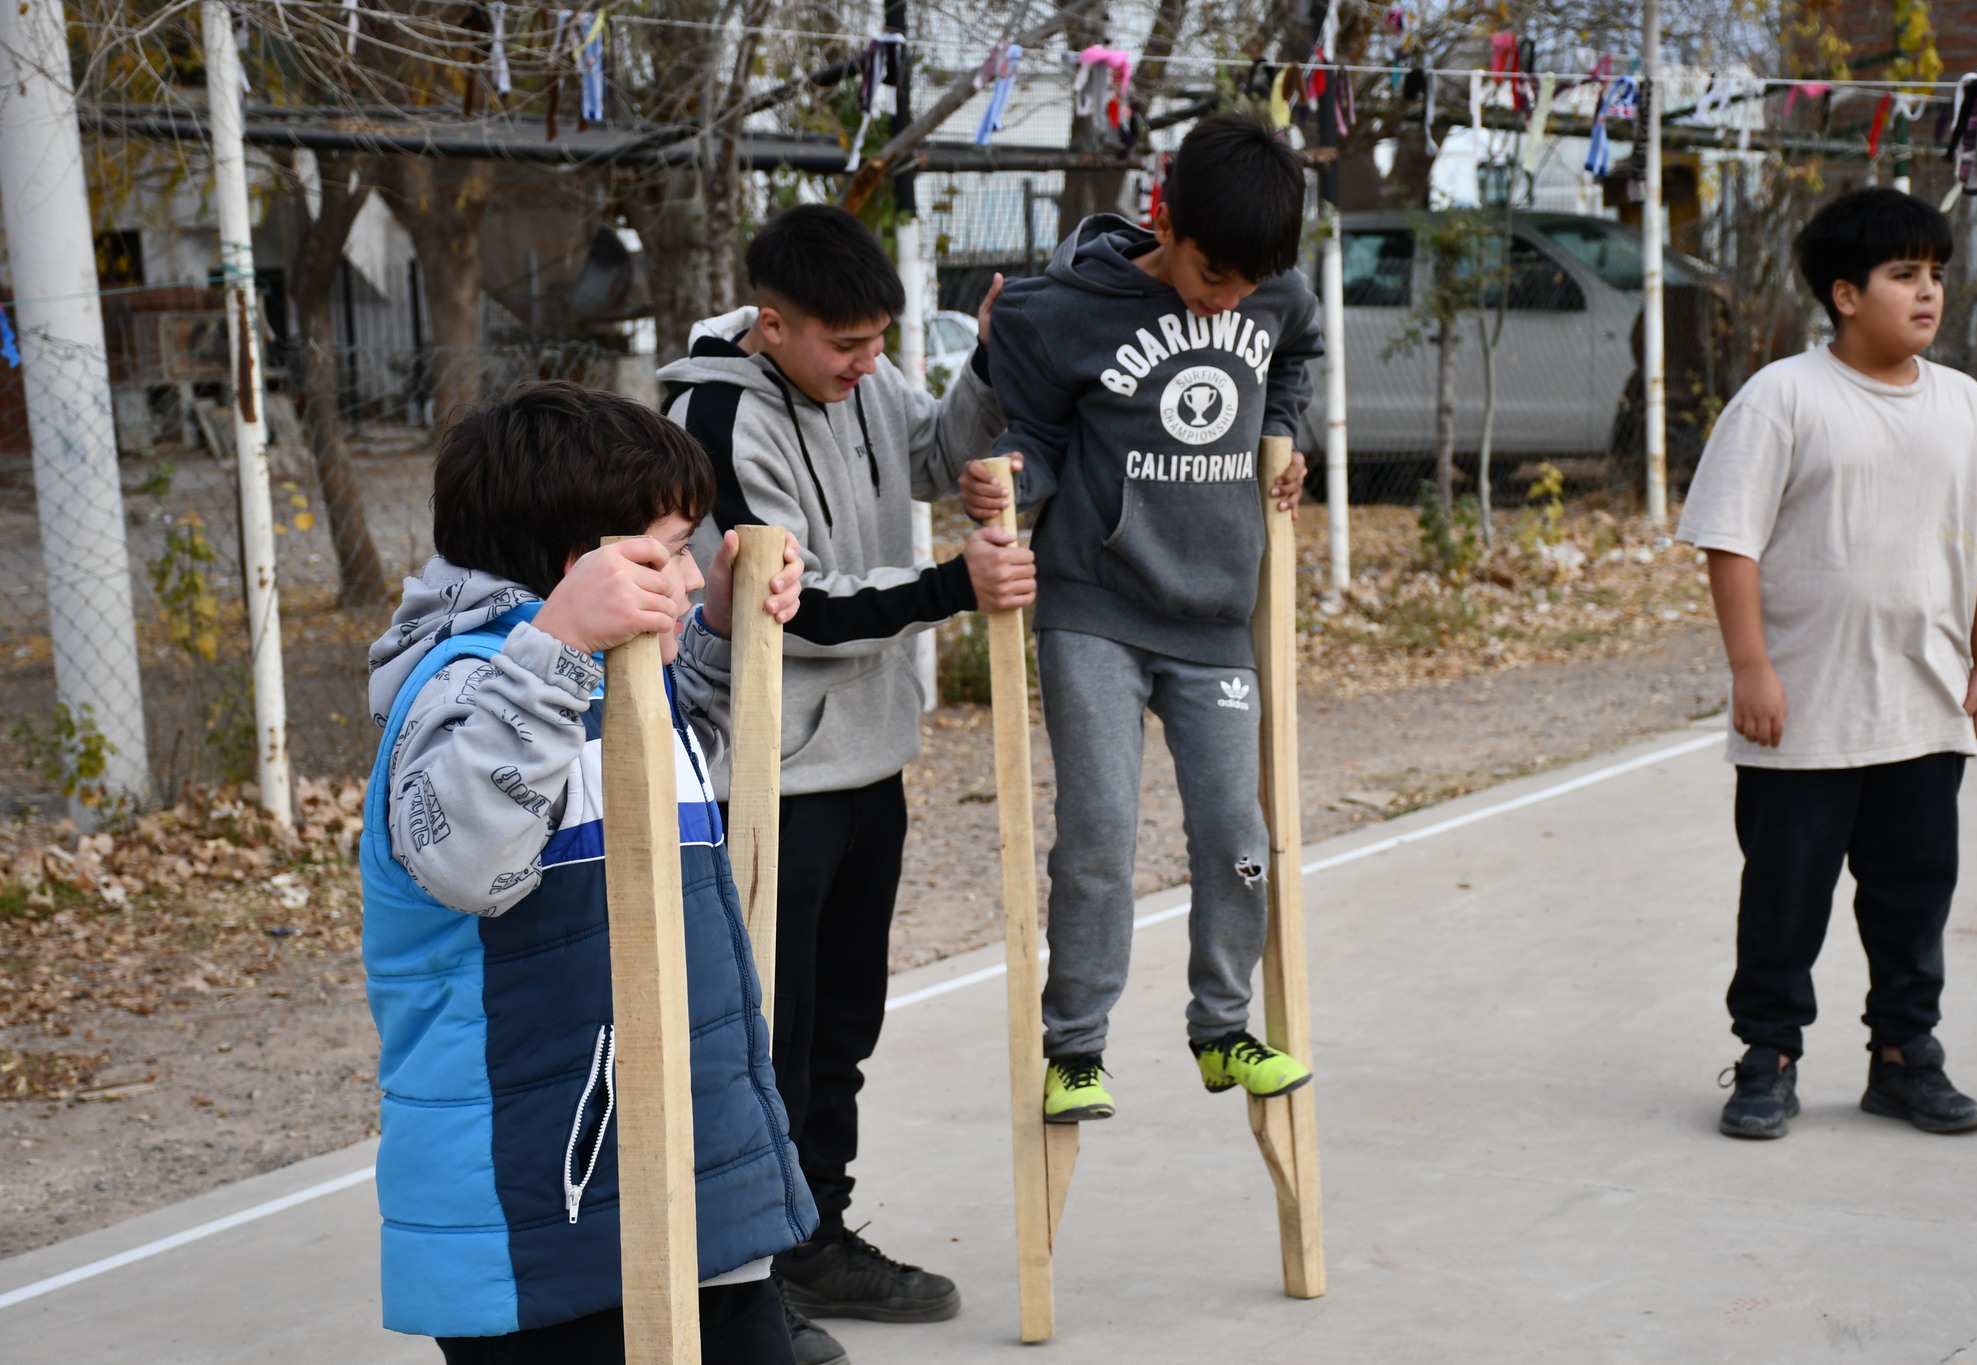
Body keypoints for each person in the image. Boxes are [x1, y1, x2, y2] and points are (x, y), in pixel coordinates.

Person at [360, 380, 814, 1363]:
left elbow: (663, 749)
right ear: (584, 571)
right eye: (668, 551)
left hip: (680, 1172)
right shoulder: (468, 685)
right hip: (539, 1216)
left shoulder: (609, 675)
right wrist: (556, 643)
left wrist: (732, 630)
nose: (690, 577)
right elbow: (463, 859)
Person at [657, 204, 1031, 1362]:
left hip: (871, 753)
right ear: (772, 326)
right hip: (771, 768)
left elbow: (933, 450)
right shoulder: (712, 416)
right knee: (770, 1022)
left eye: (879, 343)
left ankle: (815, 1234)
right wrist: (946, 587)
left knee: (845, 1021)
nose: (867, 365)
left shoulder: (859, 375)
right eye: (845, 347)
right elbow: (789, 606)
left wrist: (987, 361)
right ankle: (746, 1266)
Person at [963, 110, 1322, 1124]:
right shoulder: (1060, 310)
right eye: (1212, 276)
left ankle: (1222, 1031)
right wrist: (1002, 481)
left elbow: (1295, 349)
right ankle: (1075, 1049)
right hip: (1094, 610)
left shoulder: (1267, 293)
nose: (1228, 302)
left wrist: (1285, 429)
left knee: (1237, 836)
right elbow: (1035, 434)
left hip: (1214, 618)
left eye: (1247, 286)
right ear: (1164, 218)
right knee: (1098, 835)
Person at [1676, 188, 1977, 1141]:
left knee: (1914, 898)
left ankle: (1905, 1056)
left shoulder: (1964, 406)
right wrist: (1751, 667)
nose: (1928, 294)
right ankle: (1768, 1055)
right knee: (1785, 899)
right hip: (1805, 714)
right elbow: (1729, 541)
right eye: (1903, 275)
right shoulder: (1784, 398)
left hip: (1924, 709)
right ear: (1843, 293)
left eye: (1936, 276)